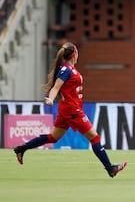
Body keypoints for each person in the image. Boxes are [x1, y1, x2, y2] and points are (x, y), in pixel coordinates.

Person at [13, 42, 127, 178]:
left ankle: (21, 149)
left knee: (53, 137)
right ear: (74, 55)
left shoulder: (70, 69)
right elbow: (56, 87)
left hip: (67, 109)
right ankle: (111, 169)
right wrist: (50, 98)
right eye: (77, 53)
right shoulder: (66, 70)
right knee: (94, 138)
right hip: (72, 110)